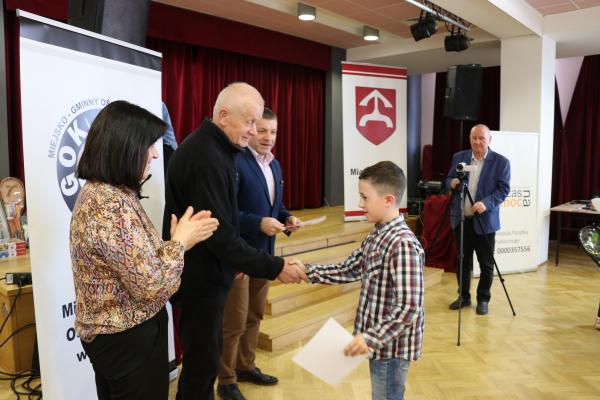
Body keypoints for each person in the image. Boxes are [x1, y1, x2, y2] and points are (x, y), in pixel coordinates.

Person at [163, 82, 307, 400]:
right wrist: (276, 266)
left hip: (210, 275)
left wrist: (234, 261)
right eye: (250, 122)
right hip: (199, 282)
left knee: (204, 366)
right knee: (200, 372)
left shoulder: (217, 150)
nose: (254, 131)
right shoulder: (206, 156)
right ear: (224, 116)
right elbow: (219, 233)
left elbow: (224, 222)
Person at [70, 100, 219, 400]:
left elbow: (137, 262)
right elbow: (151, 286)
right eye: (148, 145)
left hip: (117, 339)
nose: (155, 154)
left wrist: (173, 242)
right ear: (124, 147)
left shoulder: (107, 193)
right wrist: (180, 243)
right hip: (128, 341)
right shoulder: (111, 206)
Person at [301, 161, 424, 400]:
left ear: (388, 200)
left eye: (365, 197)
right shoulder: (378, 233)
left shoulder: (402, 244)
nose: (360, 204)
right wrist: (308, 271)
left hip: (391, 349)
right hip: (379, 344)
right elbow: (349, 269)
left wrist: (370, 338)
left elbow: (409, 308)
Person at [217, 107, 303, 400]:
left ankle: (245, 366)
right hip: (239, 258)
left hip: (264, 255)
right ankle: (226, 380)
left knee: (254, 315)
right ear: (252, 129)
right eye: (263, 130)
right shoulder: (235, 161)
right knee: (234, 322)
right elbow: (226, 213)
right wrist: (258, 223)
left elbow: (274, 206)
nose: (268, 137)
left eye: (274, 131)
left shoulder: (274, 165)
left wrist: (287, 217)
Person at [446, 124, 510, 315]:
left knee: (486, 264)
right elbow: (448, 179)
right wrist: (452, 182)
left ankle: (483, 299)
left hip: (484, 222)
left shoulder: (501, 162)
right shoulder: (459, 157)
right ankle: (464, 297)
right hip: (461, 220)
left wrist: (486, 203)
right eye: (474, 138)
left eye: (482, 138)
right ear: (470, 139)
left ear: (489, 140)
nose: (478, 142)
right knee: (462, 262)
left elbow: (503, 190)